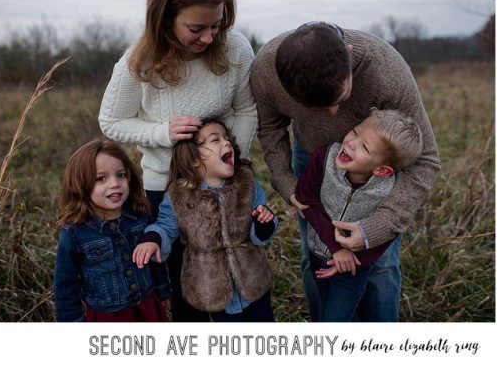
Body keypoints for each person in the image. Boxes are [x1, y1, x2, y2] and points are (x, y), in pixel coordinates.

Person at [251, 22, 440, 321]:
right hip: (311, 157)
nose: (331, 115)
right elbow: (271, 128)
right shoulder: (265, 71)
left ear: (349, 57)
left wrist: (377, 226)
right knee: (314, 255)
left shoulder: (386, 70)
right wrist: (287, 183)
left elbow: (426, 159)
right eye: (312, 107)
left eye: (338, 100)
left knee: (380, 266)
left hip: (375, 169)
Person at [98, 0, 257, 322]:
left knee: (237, 275)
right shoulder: (139, 62)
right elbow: (110, 120)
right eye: (196, 28)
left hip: (225, 186)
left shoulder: (236, 48)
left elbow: (246, 110)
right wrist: (161, 132)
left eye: (216, 25)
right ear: (165, 18)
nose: (208, 38)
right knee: (183, 288)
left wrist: (230, 165)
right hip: (165, 190)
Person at [136, 120, 277, 322]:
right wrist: (152, 239)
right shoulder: (180, 195)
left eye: (226, 138)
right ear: (194, 159)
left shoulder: (245, 184)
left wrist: (264, 223)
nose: (226, 143)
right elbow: (166, 226)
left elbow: (262, 217)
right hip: (211, 285)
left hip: (252, 277)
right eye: (215, 140)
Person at [295, 109, 423, 322]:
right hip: (318, 254)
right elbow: (306, 199)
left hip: (353, 269)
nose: (351, 143)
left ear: (382, 170)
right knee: (330, 309)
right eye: (354, 132)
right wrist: (336, 250)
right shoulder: (324, 157)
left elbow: (389, 230)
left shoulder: (389, 190)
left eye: (364, 147)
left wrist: (355, 259)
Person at [53, 138, 170, 322]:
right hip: (108, 316)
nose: (114, 183)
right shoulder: (75, 232)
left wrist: (163, 292)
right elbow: (66, 285)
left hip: (147, 307)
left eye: (121, 175)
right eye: (101, 178)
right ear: (80, 184)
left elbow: (155, 259)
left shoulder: (139, 215)